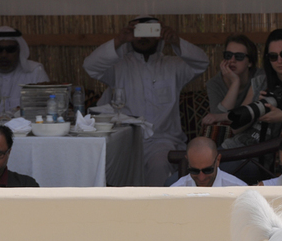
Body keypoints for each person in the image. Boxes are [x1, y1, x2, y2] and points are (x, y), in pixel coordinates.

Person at [83, 15, 210, 187]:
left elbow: (202, 63)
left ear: (159, 35)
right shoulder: (119, 66)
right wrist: (120, 40)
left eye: (150, 31)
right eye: (138, 32)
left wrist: (176, 41)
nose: (143, 37)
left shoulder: (173, 66)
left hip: (162, 140)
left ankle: (155, 212)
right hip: (126, 140)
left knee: (159, 163)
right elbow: (90, 66)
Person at [201, 34, 269, 136]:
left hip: (253, 133)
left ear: (250, 62)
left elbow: (246, 113)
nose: (232, 60)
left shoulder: (260, 76)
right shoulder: (214, 84)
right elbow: (218, 122)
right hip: (229, 136)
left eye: (239, 57)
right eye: (228, 55)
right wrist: (235, 82)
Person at [171, 137, 246, 188]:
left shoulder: (238, 190)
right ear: (188, 162)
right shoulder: (176, 191)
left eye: (207, 170)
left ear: (218, 160)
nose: (201, 178)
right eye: (194, 171)